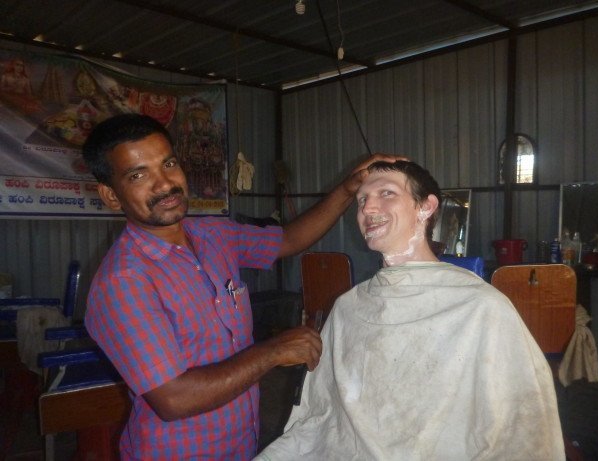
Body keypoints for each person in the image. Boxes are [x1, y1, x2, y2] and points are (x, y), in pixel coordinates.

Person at [81, 112, 401, 460]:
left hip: (240, 444)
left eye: (168, 163)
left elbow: (289, 240)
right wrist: (273, 351)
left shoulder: (212, 235)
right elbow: (174, 398)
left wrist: (347, 189)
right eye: (138, 175)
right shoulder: (123, 282)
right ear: (111, 196)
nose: (164, 184)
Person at [256, 160, 565, 460]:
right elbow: (322, 412)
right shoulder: (348, 306)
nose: (367, 208)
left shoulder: (481, 307)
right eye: (362, 199)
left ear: (426, 207)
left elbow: (523, 429)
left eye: (386, 193)